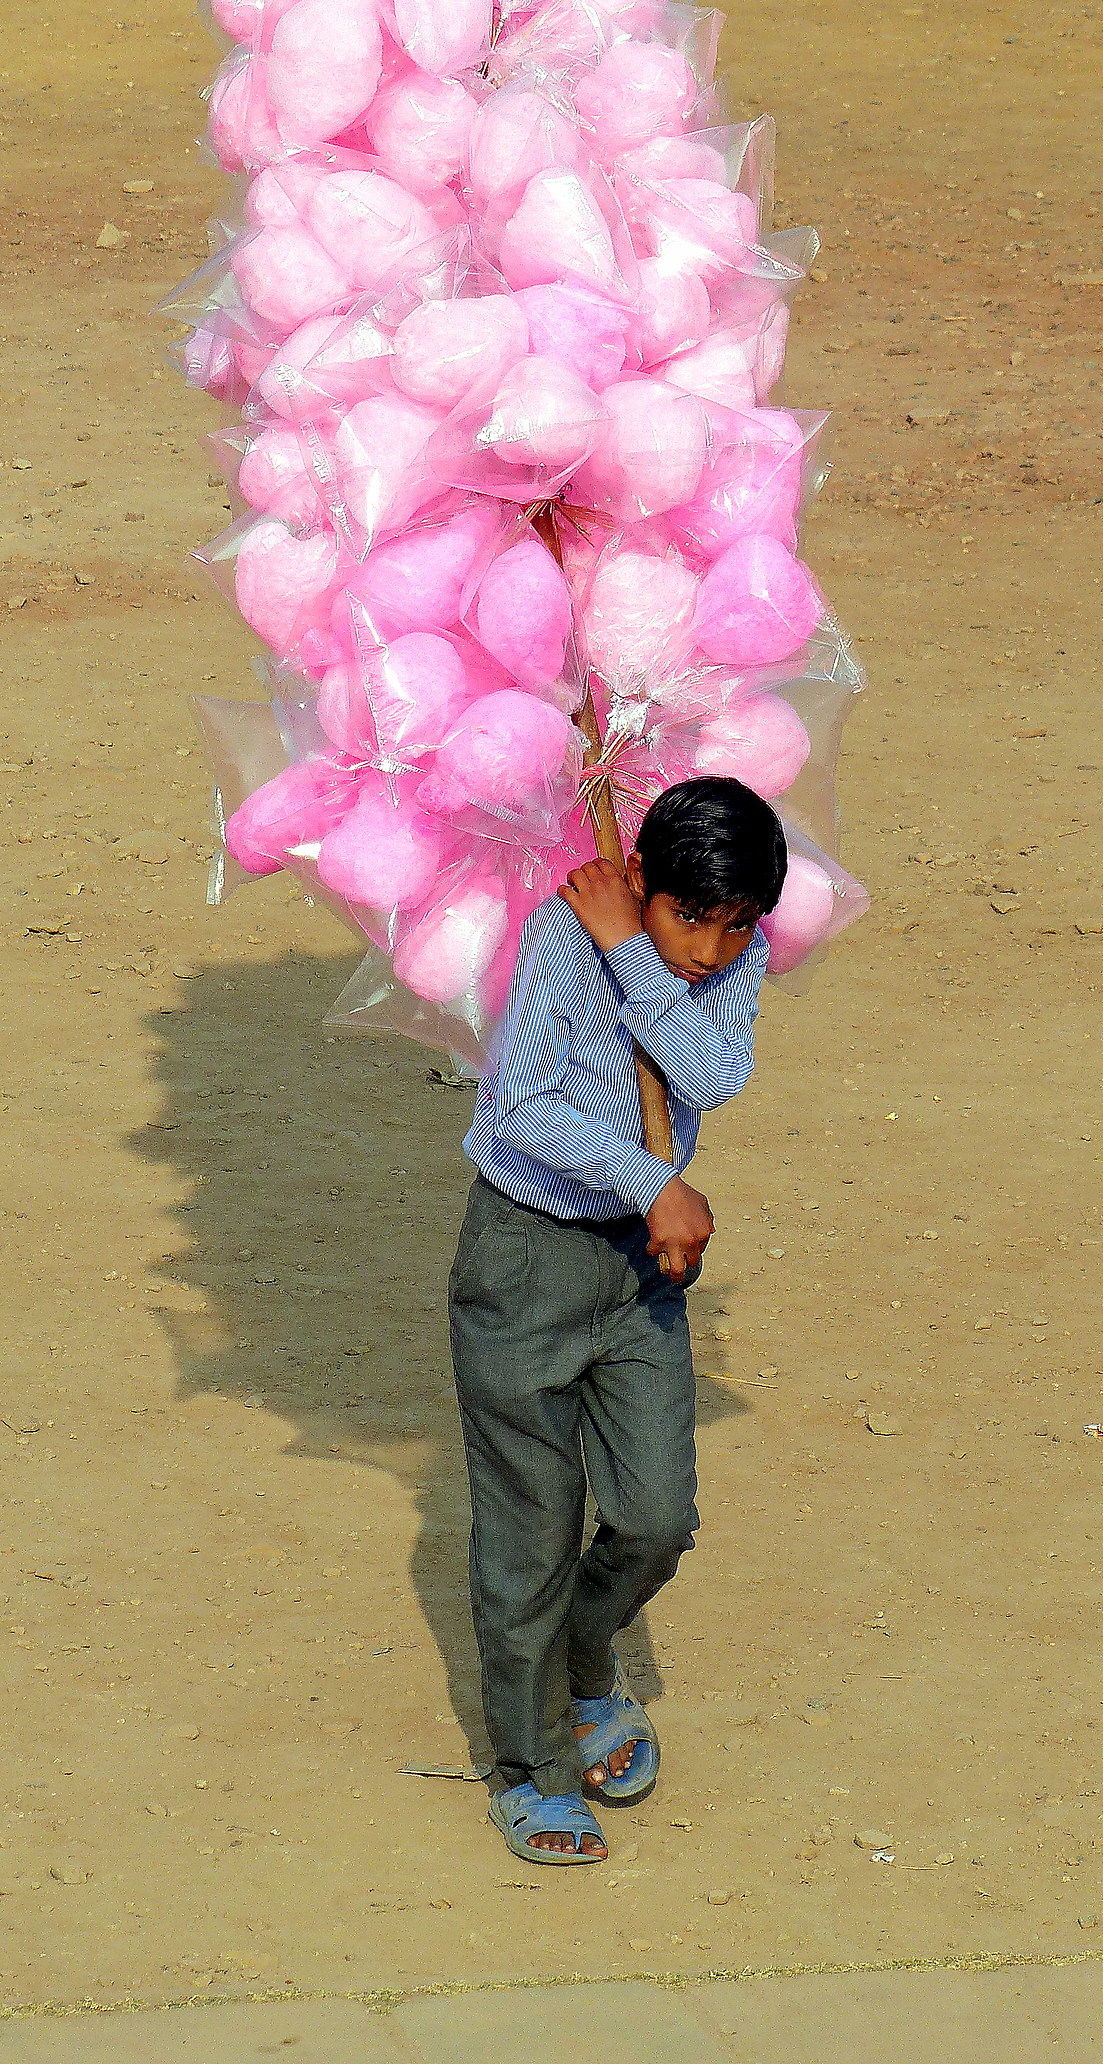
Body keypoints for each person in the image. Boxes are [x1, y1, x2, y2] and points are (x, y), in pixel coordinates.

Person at [452, 774, 788, 1864]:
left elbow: (714, 1070)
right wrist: (655, 1185)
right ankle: (531, 1767)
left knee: (655, 1515)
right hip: (526, 1259)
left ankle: (587, 1659)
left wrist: (638, 954)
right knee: (530, 1531)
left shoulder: (725, 949)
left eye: (736, 928)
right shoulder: (562, 933)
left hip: (640, 1272)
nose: (711, 952)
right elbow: (523, 1106)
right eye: (690, 917)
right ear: (636, 877)